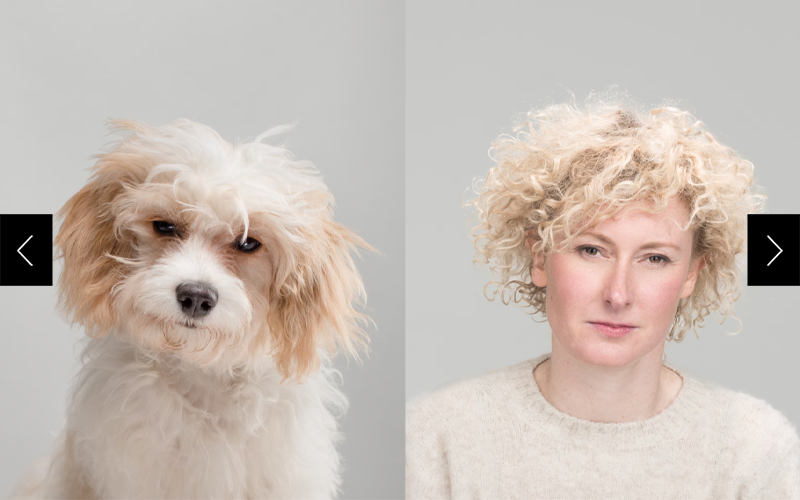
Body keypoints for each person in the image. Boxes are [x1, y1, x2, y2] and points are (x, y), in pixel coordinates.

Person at [406, 98, 800, 499]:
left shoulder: (755, 452)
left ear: (691, 275)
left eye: (656, 258)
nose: (618, 294)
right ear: (540, 257)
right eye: (591, 250)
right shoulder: (438, 438)